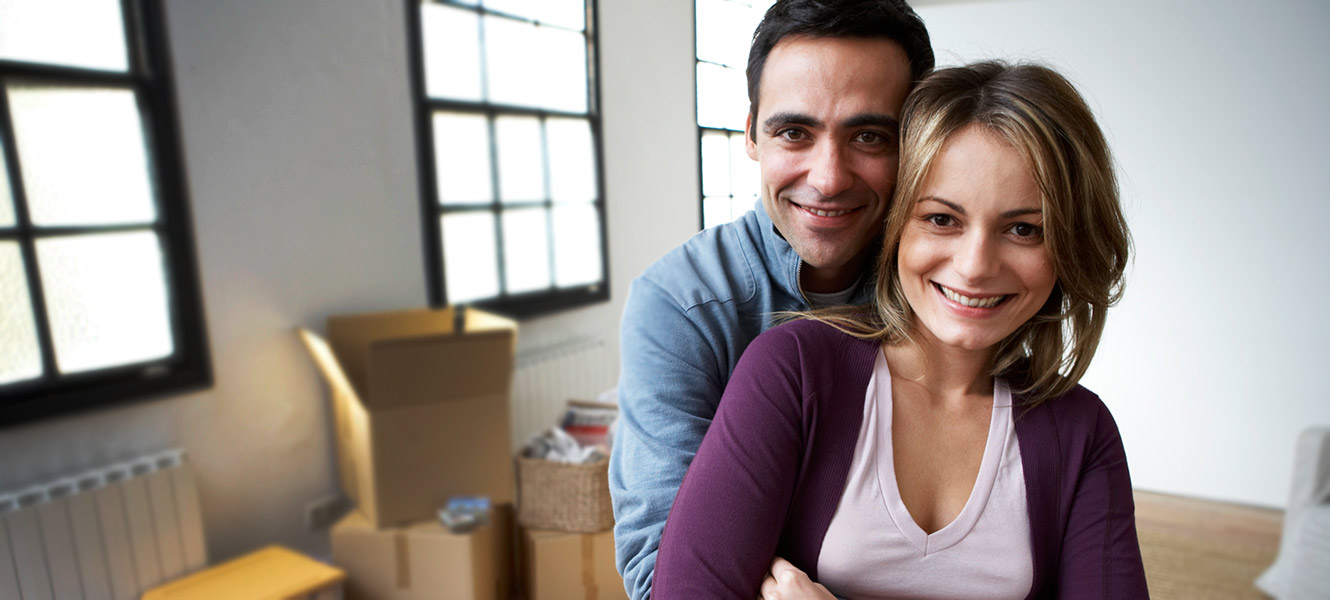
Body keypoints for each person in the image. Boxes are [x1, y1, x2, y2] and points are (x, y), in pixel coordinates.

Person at [652, 61, 1148, 599]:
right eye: (942, 219)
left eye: (1024, 229)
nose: (976, 264)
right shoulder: (792, 370)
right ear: (896, 227)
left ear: (1069, 248)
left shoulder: (1082, 432)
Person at [609, 1, 934, 598]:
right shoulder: (678, 306)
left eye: (869, 135)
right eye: (794, 132)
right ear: (752, 132)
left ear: (916, 142)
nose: (829, 176)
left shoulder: (949, 287)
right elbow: (661, 575)